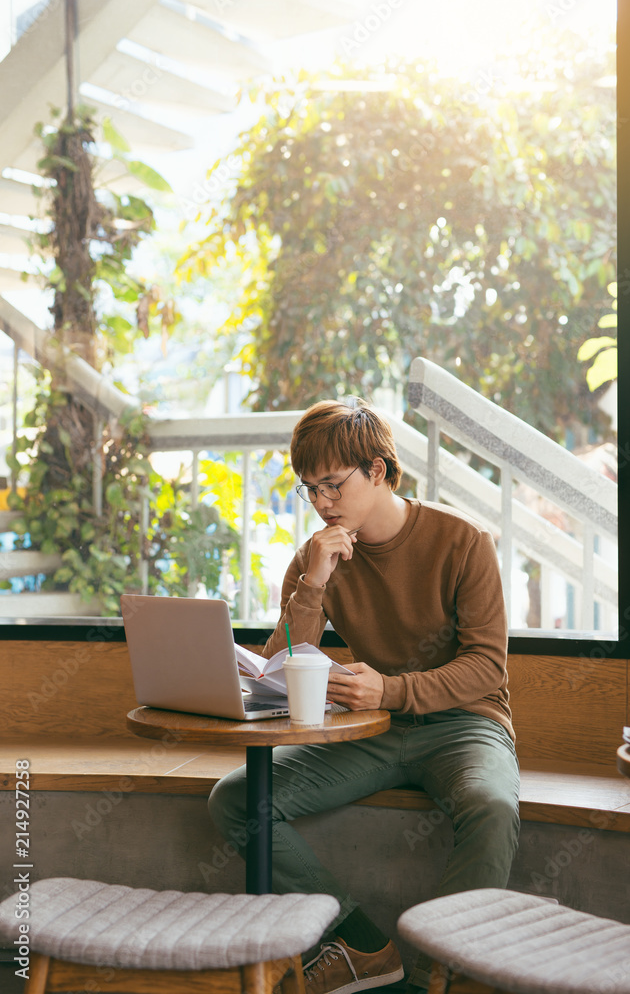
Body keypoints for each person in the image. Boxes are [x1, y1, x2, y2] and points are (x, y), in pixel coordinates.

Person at [208, 398, 520, 994]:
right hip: (367, 729)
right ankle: (360, 943)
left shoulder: (463, 542)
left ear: (378, 471)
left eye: (332, 484)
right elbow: (281, 664)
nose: (322, 502)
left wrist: (393, 688)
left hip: (462, 724)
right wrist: (313, 584)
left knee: (492, 806)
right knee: (238, 798)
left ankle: (438, 979)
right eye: (310, 489)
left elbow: (486, 667)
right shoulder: (315, 556)